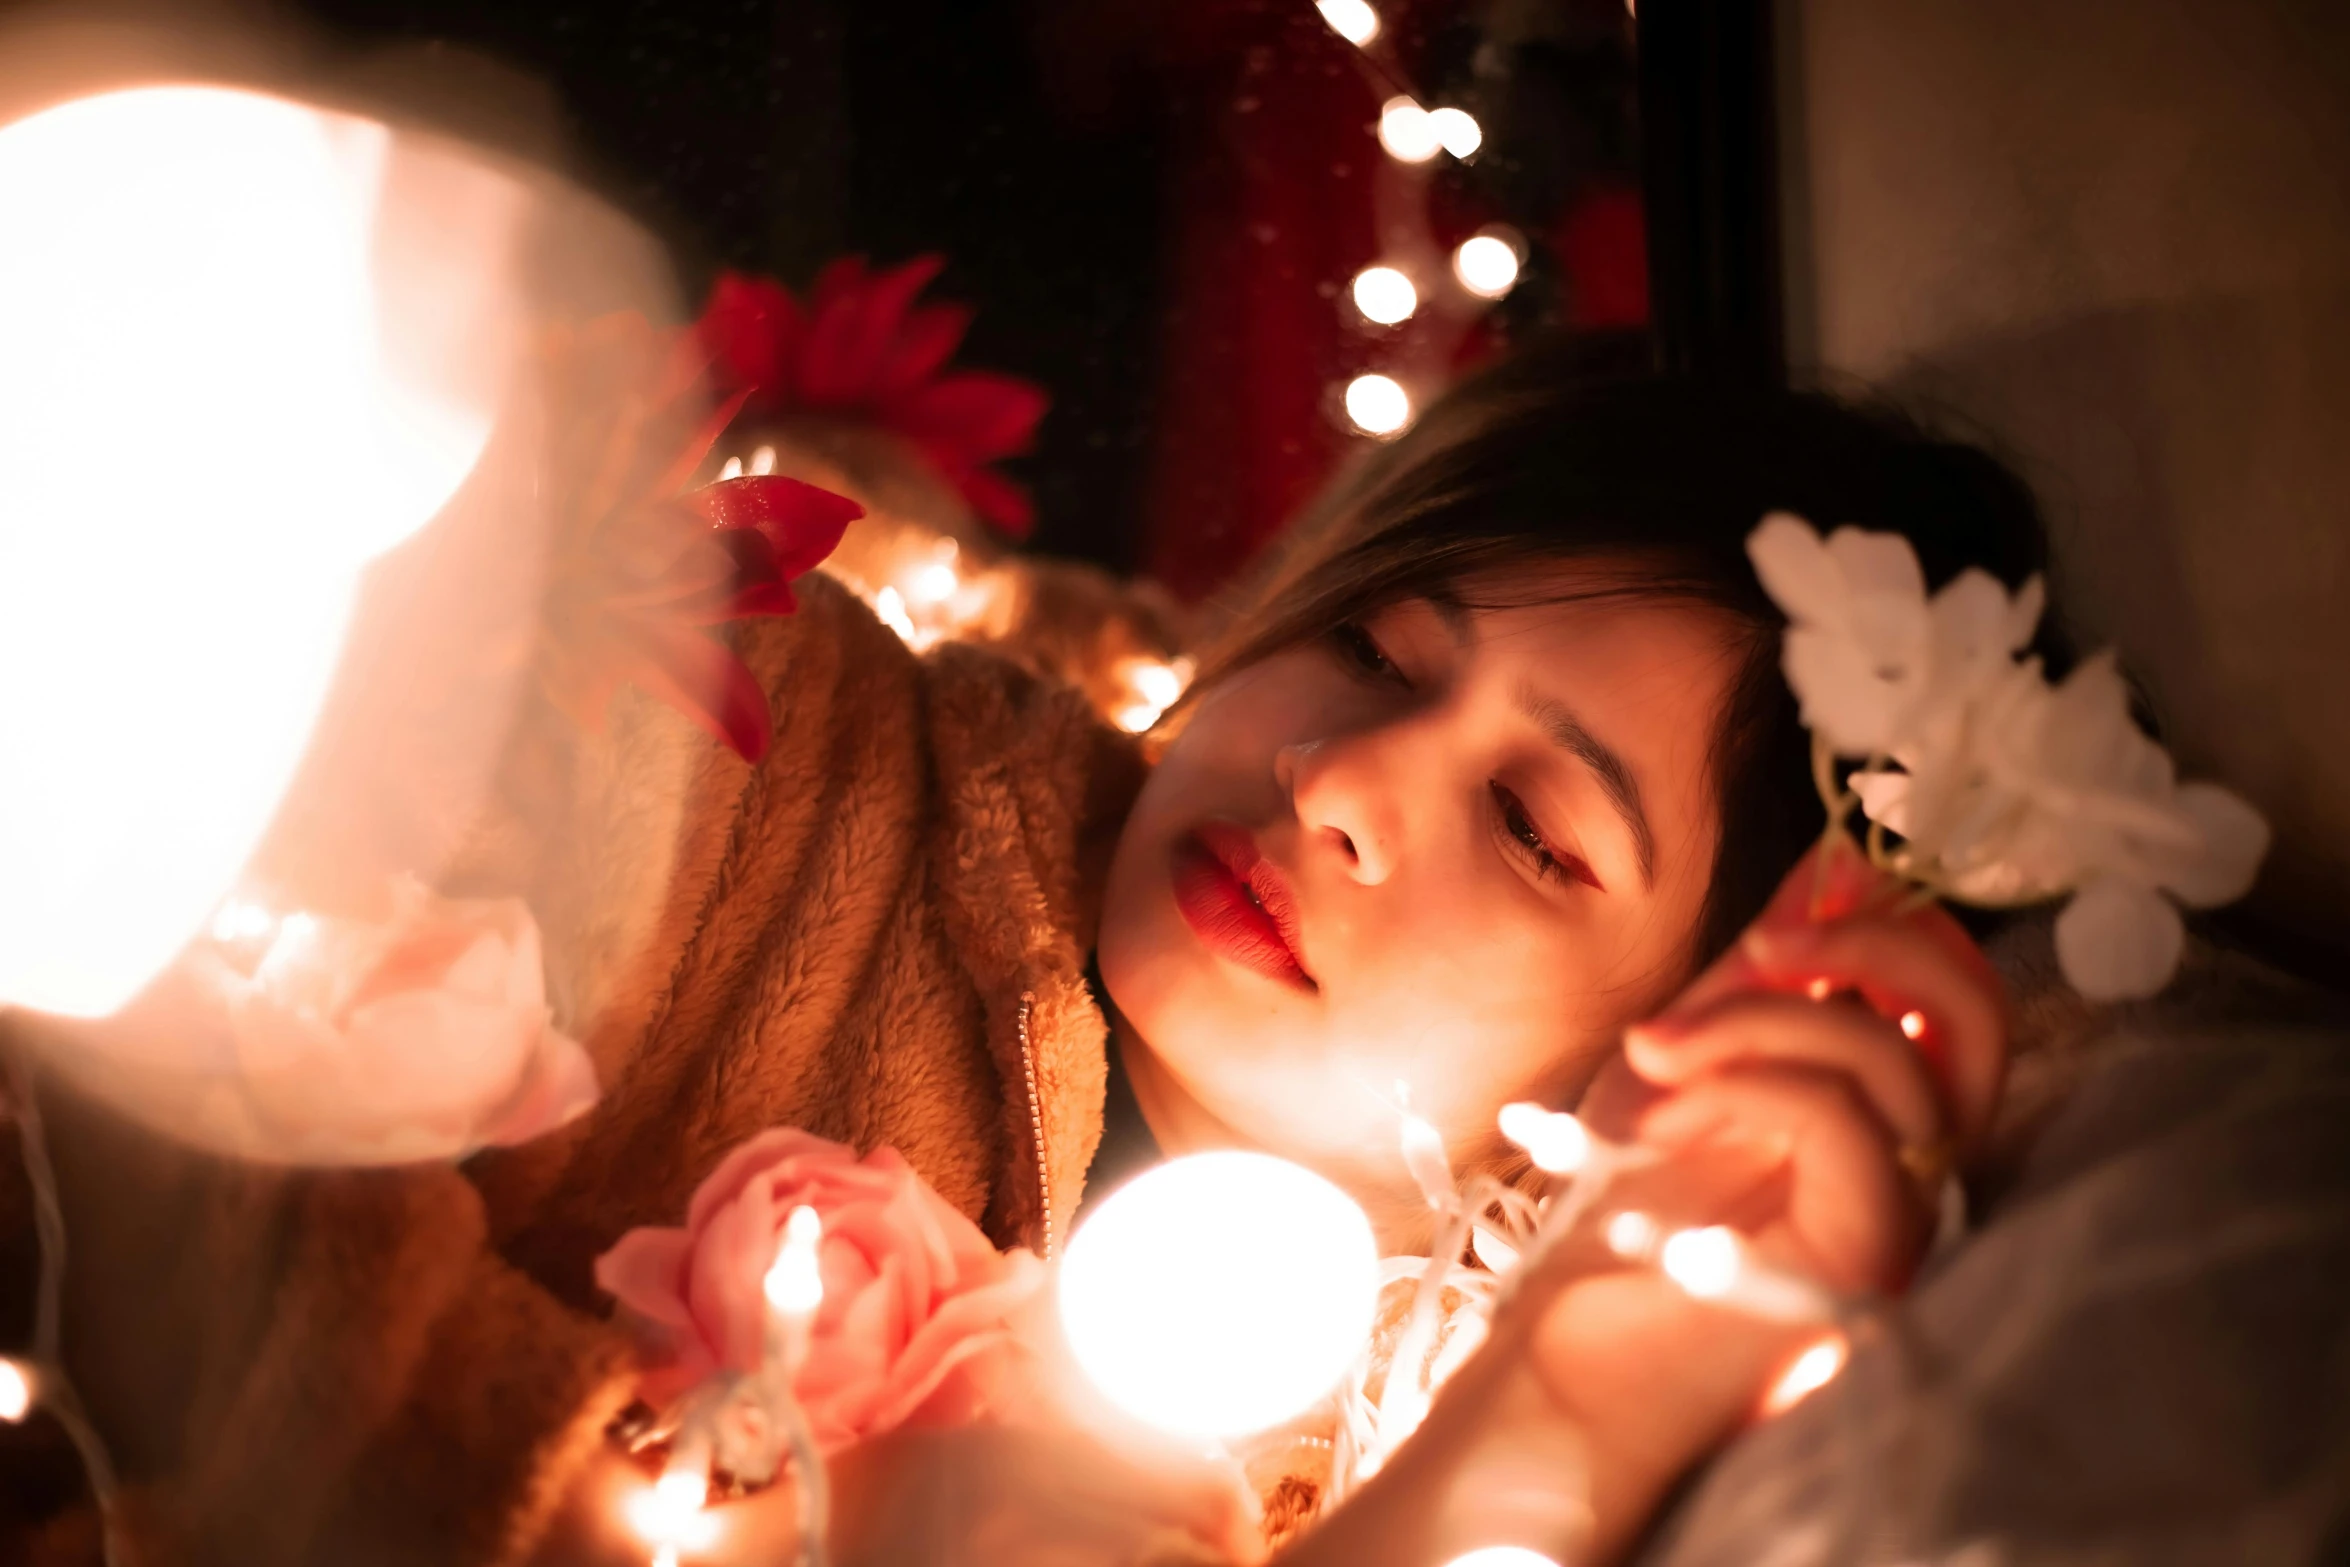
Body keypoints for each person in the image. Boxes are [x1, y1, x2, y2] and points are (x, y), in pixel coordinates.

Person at [0, 341, 2048, 1567]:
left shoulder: (1385, 1456)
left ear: (1667, 1038)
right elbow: (184, 1111)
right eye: (1365, 650)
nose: (1341, 777)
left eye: (1531, 826)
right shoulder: (754, 741)